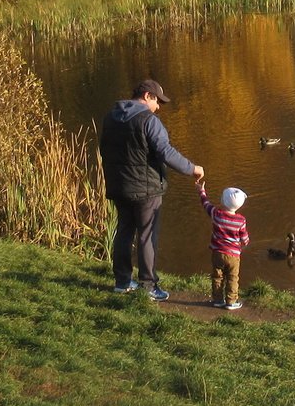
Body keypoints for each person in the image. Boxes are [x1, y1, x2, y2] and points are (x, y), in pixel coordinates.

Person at [99, 79, 204, 301]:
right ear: (147, 96)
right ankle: (148, 286)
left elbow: (103, 150)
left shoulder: (111, 117)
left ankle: (122, 282)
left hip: (119, 186)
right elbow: (165, 152)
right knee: (147, 235)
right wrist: (192, 168)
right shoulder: (149, 120)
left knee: (124, 231)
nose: (158, 107)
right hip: (146, 190)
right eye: (157, 101)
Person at [195, 179, 250, 310]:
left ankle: (218, 300)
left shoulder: (217, 214)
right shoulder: (241, 220)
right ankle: (231, 301)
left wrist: (201, 191)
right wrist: (245, 243)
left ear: (223, 201)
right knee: (233, 278)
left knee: (217, 276)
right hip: (234, 256)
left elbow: (206, 204)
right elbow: (244, 237)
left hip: (217, 253)